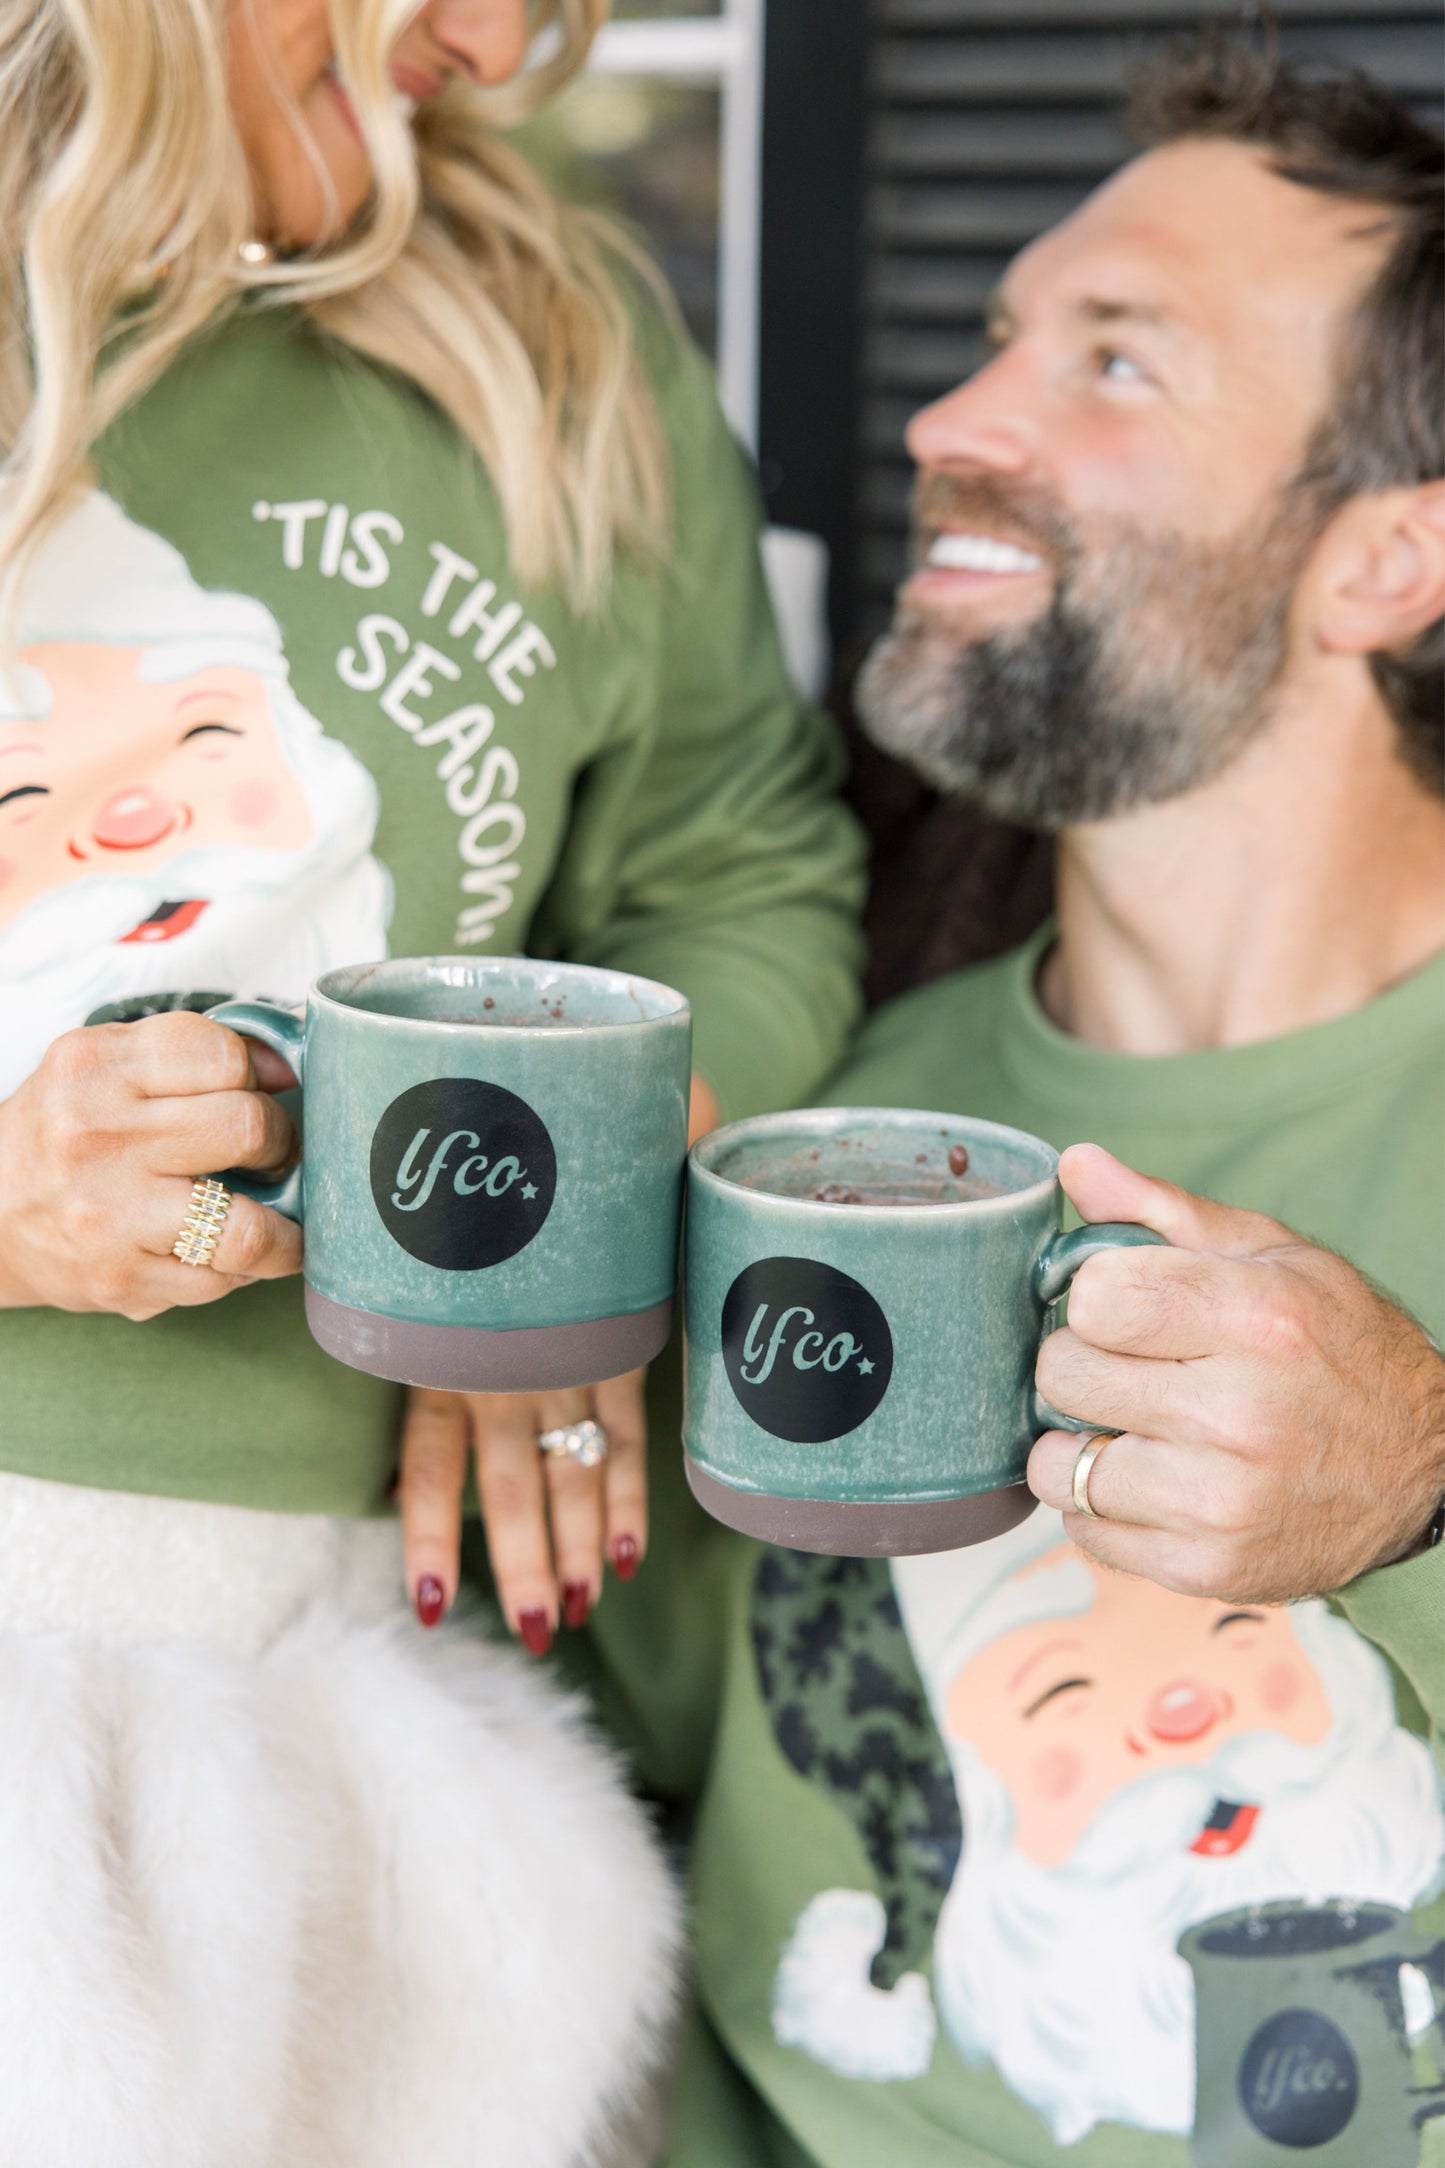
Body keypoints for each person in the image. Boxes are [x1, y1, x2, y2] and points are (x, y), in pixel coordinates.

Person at [471, 35, 1442, 2167]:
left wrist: (1424, 1485)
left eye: (1115, 361)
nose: (947, 422)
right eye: (1000, 334)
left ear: (1388, 557)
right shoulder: (831, 1131)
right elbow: (599, 1758)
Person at [0, 0, 863, 2158]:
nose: (488, 41)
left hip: (318, 1755)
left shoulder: (555, 338)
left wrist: (562, 1218)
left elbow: (745, 873)